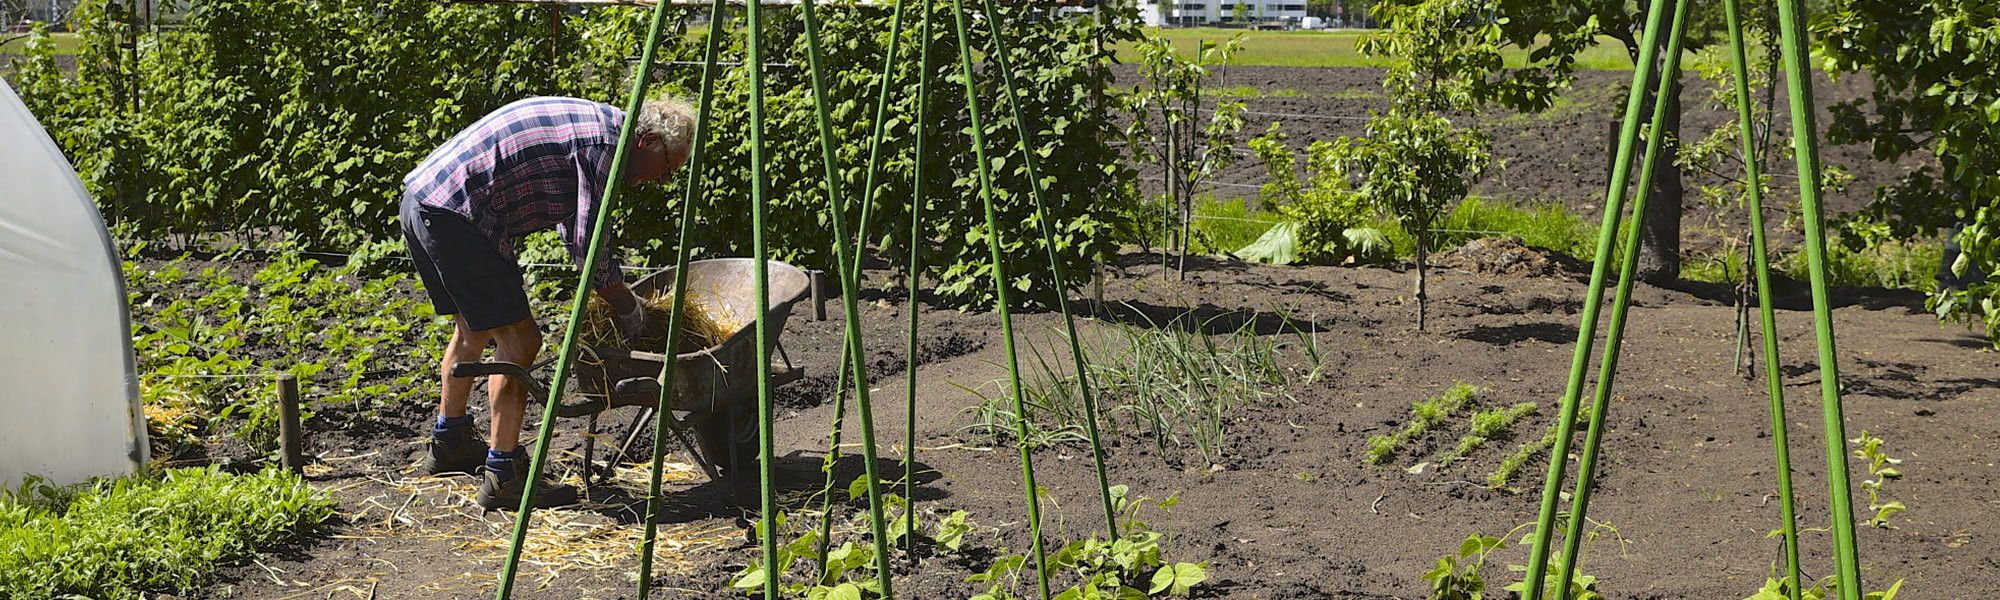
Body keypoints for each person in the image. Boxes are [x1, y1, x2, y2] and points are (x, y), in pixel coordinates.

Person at [401, 96, 694, 510]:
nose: (660, 182)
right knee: (521, 343)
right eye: (666, 171)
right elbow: (588, 248)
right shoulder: (605, 148)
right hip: (457, 215)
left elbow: (571, 223)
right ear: (646, 142)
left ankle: (450, 441)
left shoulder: (599, 128)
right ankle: (504, 475)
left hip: (423, 200)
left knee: (473, 329)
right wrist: (629, 308)